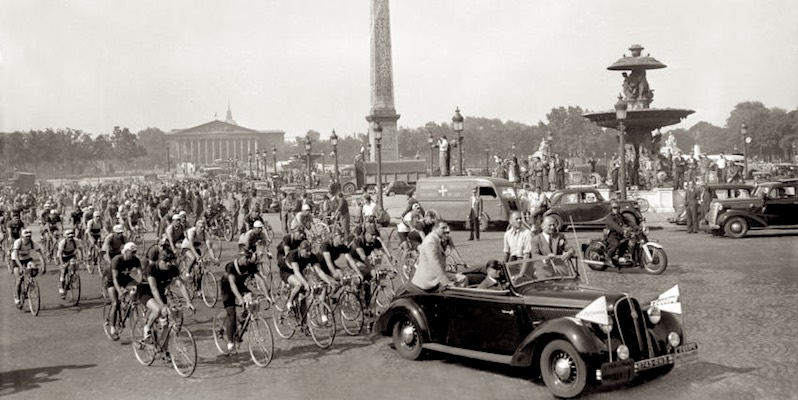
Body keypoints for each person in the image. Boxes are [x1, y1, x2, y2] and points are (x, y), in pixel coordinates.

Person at [137, 239, 194, 341]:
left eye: (170, 261)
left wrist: (189, 302)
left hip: (160, 291)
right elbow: (153, 289)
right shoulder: (151, 269)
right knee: (158, 309)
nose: (168, 264)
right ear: (159, 260)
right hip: (146, 291)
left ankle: (163, 350)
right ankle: (147, 328)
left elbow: (181, 284)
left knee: (166, 323)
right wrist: (162, 305)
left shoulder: (172, 269)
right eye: (165, 261)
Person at [220, 251, 269, 352]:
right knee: (231, 313)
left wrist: (267, 296)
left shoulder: (251, 266)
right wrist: (240, 299)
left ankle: (242, 320)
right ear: (240, 257)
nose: (248, 260)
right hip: (227, 289)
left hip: (240, 287)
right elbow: (232, 284)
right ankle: (230, 341)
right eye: (246, 257)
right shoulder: (231, 266)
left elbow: (260, 280)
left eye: (249, 257)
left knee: (253, 301)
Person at [409, 221, 459, 292]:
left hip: (432, 275)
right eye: (443, 228)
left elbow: (452, 248)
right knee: (461, 280)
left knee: (462, 277)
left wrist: (461, 262)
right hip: (428, 280)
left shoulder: (438, 238)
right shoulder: (431, 241)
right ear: (435, 228)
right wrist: (446, 282)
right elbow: (435, 263)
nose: (447, 230)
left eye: (447, 228)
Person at [106, 242, 142, 340]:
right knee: (115, 303)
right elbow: (114, 279)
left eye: (135, 252)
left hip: (125, 278)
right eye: (132, 252)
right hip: (112, 281)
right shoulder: (117, 259)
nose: (134, 254)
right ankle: (112, 328)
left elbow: (140, 275)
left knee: (137, 289)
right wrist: (120, 292)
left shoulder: (135, 259)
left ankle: (129, 305)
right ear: (126, 252)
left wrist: (141, 284)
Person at [11, 229, 46, 309]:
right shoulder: (18, 242)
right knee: (19, 279)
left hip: (26, 258)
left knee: (33, 268)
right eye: (26, 237)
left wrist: (44, 266)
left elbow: (40, 256)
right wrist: (20, 267)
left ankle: (30, 284)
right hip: (16, 259)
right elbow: (16, 256)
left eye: (29, 236)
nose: (28, 238)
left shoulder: (33, 243)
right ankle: (17, 298)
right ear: (22, 237)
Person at [605, 201, 637, 269]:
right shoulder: (609, 217)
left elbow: (628, 222)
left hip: (620, 234)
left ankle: (621, 256)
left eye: (617, 208)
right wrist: (623, 231)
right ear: (611, 209)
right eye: (614, 208)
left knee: (627, 241)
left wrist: (636, 227)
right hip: (612, 235)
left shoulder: (620, 216)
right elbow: (615, 226)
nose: (616, 209)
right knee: (615, 244)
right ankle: (608, 258)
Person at [56, 229, 83, 298]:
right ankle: (61, 286)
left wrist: (81, 259)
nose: (70, 239)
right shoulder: (62, 243)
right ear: (65, 237)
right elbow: (60, 255)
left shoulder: (76, 241)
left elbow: (80, 250)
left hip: (71, 255)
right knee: (63, 270)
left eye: (72, 237)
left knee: (73, 265)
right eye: (69, 237)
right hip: (62, 257)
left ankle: (72, 277)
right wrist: (62, 264)